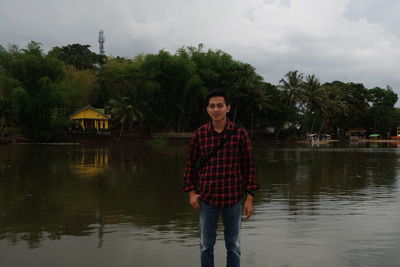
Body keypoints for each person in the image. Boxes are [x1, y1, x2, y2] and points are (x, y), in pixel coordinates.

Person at [182, 89, 260, 267]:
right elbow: (190, 166)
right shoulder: (200, 134)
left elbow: (249, 167)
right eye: (212, 106)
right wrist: (191, 193)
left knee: (233, 246)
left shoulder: (239, 134)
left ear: (228, 108)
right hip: (207, 200)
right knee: (206, 246)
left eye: (220, 105)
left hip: (233, 199)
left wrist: (250, 198)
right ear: (207, 109)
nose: (216, 109)